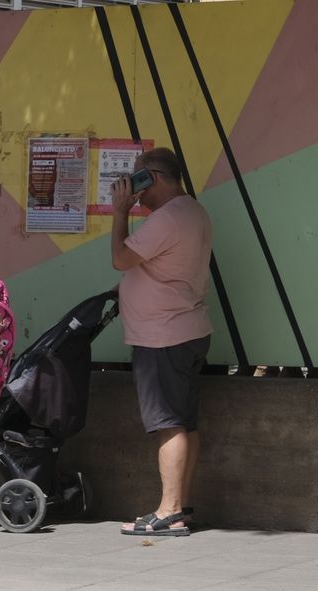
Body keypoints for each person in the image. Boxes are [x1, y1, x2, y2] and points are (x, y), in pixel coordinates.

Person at [111, 147, 213, 538]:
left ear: (153, 177)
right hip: (187, 329)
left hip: (162, 336)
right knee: (184, 422)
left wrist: (121, 211)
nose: (135, 190)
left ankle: (168, 511)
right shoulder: (193, 211)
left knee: (168, 423)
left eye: (138, 180)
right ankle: (181, 506)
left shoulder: (167, 218)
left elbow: (121, 258)